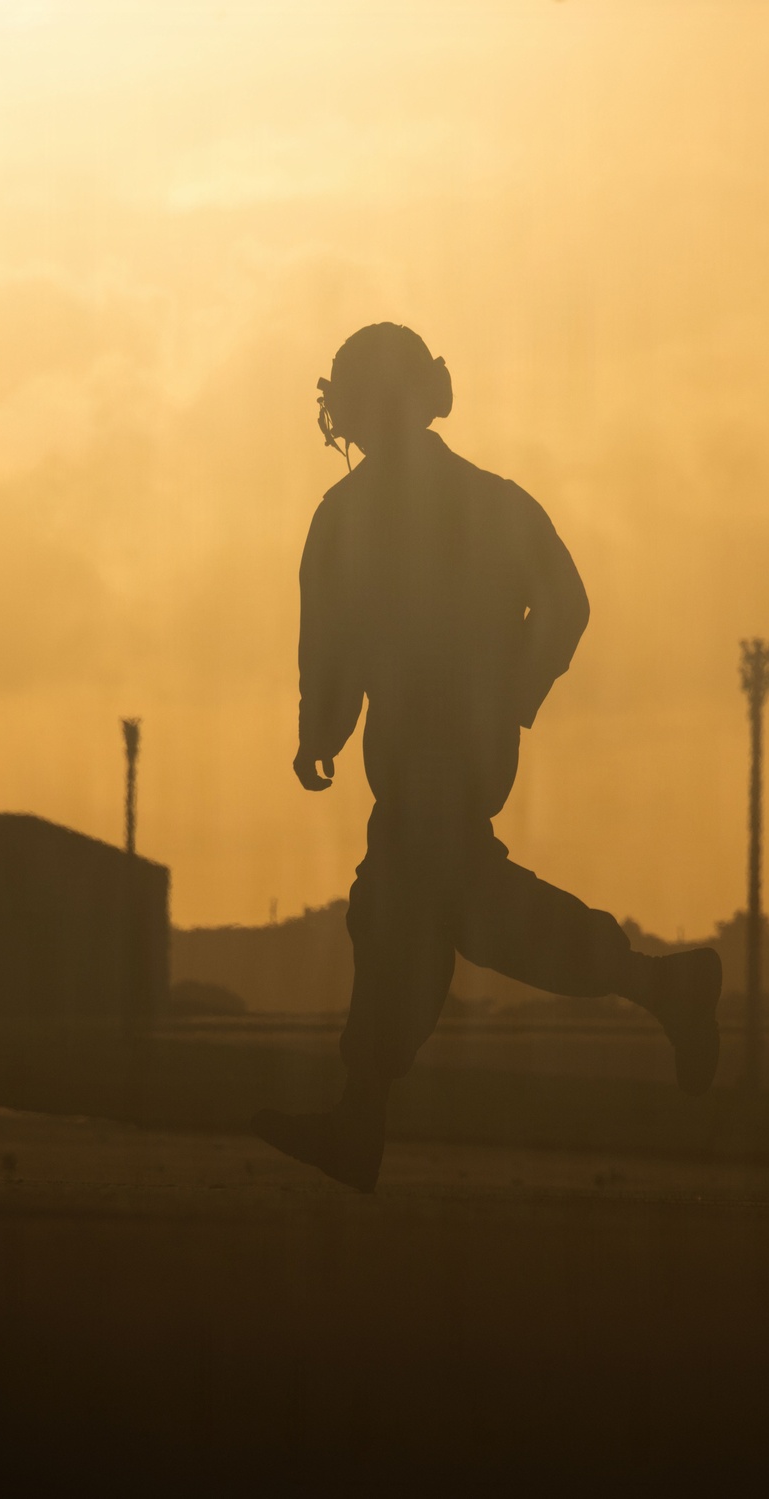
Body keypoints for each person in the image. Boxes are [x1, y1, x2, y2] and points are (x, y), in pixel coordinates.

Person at [252, 323, 721, 1191]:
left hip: (435, 750)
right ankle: (658, 989)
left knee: (423, 908)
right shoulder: (490, 502)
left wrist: (326, 731)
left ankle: (662, 988)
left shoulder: (352, 515)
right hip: (459, 746)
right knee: (424, 915)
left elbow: (332, 643)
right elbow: (564, 605)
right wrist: (511, 694)